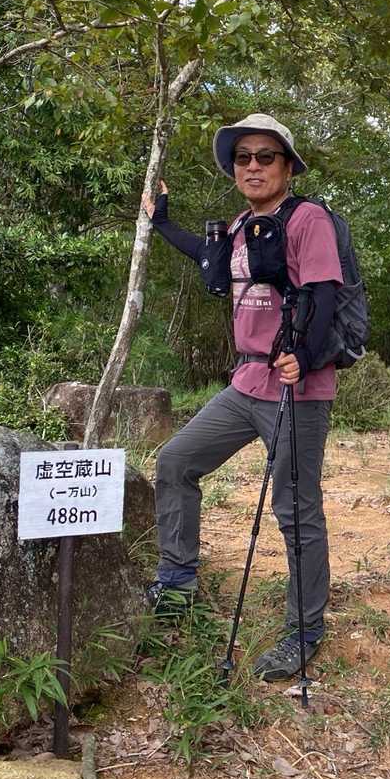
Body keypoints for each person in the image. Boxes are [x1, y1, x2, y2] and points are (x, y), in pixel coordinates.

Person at [141, 112, 341, 682]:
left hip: (295, 387)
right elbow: (207, 258)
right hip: (245, 383)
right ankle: (177, 582)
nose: (253, 166)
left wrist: (306, 356)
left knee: (295, 509)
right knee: (176, 462)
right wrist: (161, 222)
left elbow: (325, 294)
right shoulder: (240, 226)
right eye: (243, 157)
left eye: (265, 156)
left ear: (288, 166)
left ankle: (303, 631)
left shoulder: (307, 220)